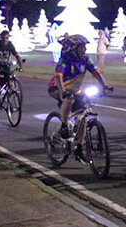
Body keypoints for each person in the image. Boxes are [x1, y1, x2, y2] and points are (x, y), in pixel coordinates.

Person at [48, 34, 111, 163]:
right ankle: (64, 126)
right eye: (82, 47)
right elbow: (59, 76)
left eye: (85, 47)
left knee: (83, 117)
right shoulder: (65, 59)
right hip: (57, 88)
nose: (85, 50)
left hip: (75, 91)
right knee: (69, 99)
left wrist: (105, 86)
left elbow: (96, 73)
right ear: (73, 49)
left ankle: (78, 147)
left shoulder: (86, 60)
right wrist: (63, 92)